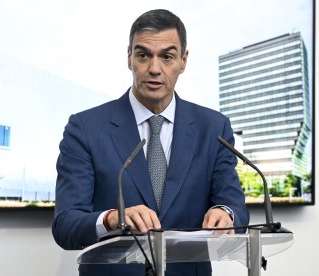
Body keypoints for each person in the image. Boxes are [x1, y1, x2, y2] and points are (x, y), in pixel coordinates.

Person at [52, 9, 249, 276]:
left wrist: (225, 214)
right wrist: (112, 219)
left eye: (167, 56)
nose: (154, 69)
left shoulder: (213, 127)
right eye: (143, 55)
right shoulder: (85, 128)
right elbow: (65, 225)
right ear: (129, 58)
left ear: (183, 60)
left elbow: (235, 207)